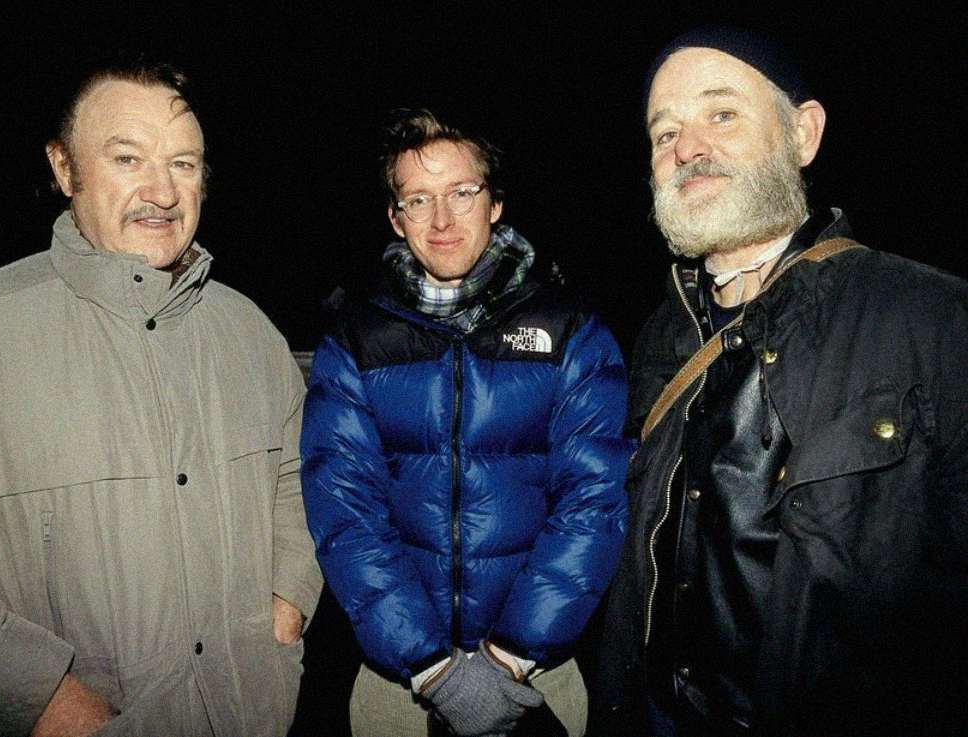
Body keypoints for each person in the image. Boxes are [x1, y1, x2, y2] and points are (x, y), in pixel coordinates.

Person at [0, 62, 322, 737]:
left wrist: (283, 609)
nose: (162, 191)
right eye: (128, 158)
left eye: (183, 163)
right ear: (65, 170)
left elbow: (303, 476)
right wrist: (40, 699)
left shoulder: (249, 333)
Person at [591, 26, 968, 737]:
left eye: (721, 113)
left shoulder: (933, 319)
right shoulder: (660, 336)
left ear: (804, 133)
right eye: (664, 132)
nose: (687, 148)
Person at [299, 108, 632, 737]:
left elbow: (594, 501)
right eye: (418, 199)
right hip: (398, 683)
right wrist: (433, 669)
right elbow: (344, 510)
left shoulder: (571, 329)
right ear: (396, 219)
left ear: (496, 203)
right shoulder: (356, 339)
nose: (443, 219)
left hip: (536, 674)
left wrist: (509, 657)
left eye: (462, 192)